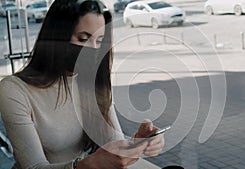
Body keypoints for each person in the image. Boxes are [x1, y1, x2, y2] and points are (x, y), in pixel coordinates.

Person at [0, 0, 164, 168]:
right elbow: (33, 166)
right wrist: (86, 165)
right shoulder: (14, 90)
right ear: (57, 37)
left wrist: (137, 143)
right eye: (83, 38)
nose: (92, 49)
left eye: (99, 41)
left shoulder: (93, 84)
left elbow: (113, 144)